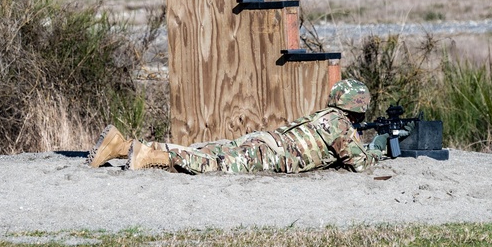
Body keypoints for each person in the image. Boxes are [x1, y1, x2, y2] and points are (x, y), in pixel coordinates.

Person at [88, 78, 394, 174]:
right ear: (358, 108)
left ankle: (119, 145)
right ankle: (146, 155)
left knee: (206, 150)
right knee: (210, 163)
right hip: (268, 156)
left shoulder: (326, 116)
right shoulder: (339, 124)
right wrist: (378, 148)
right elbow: (359, 164)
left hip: (264, 142)